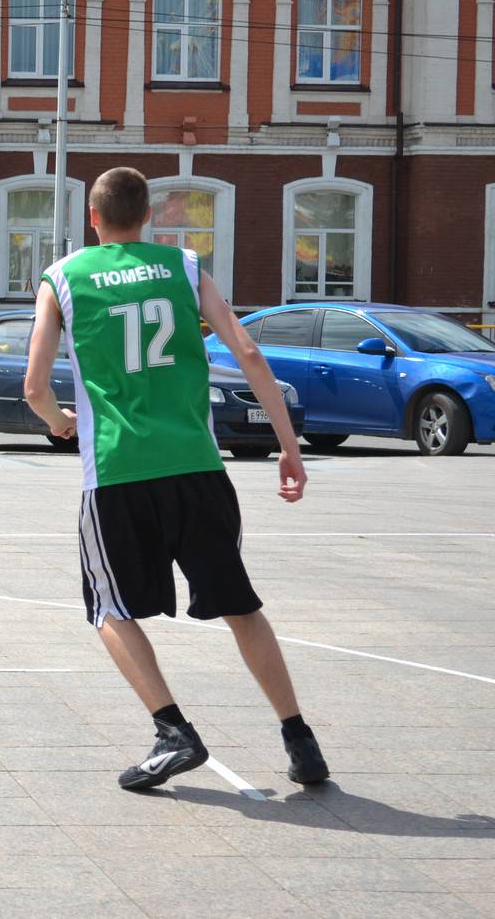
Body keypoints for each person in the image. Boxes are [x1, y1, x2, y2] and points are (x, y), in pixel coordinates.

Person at [24, 166, 329, 792]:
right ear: (147, 218)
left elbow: (33, 387)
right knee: (240, 606)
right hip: (198, 465)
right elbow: (246, 350)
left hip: (117, 471)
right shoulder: (184, 268)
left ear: (93, 217)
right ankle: (300, 737)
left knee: (108, 607)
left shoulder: (64, 278)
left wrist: (61, 422)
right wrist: (288, 447)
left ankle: (172, 730)